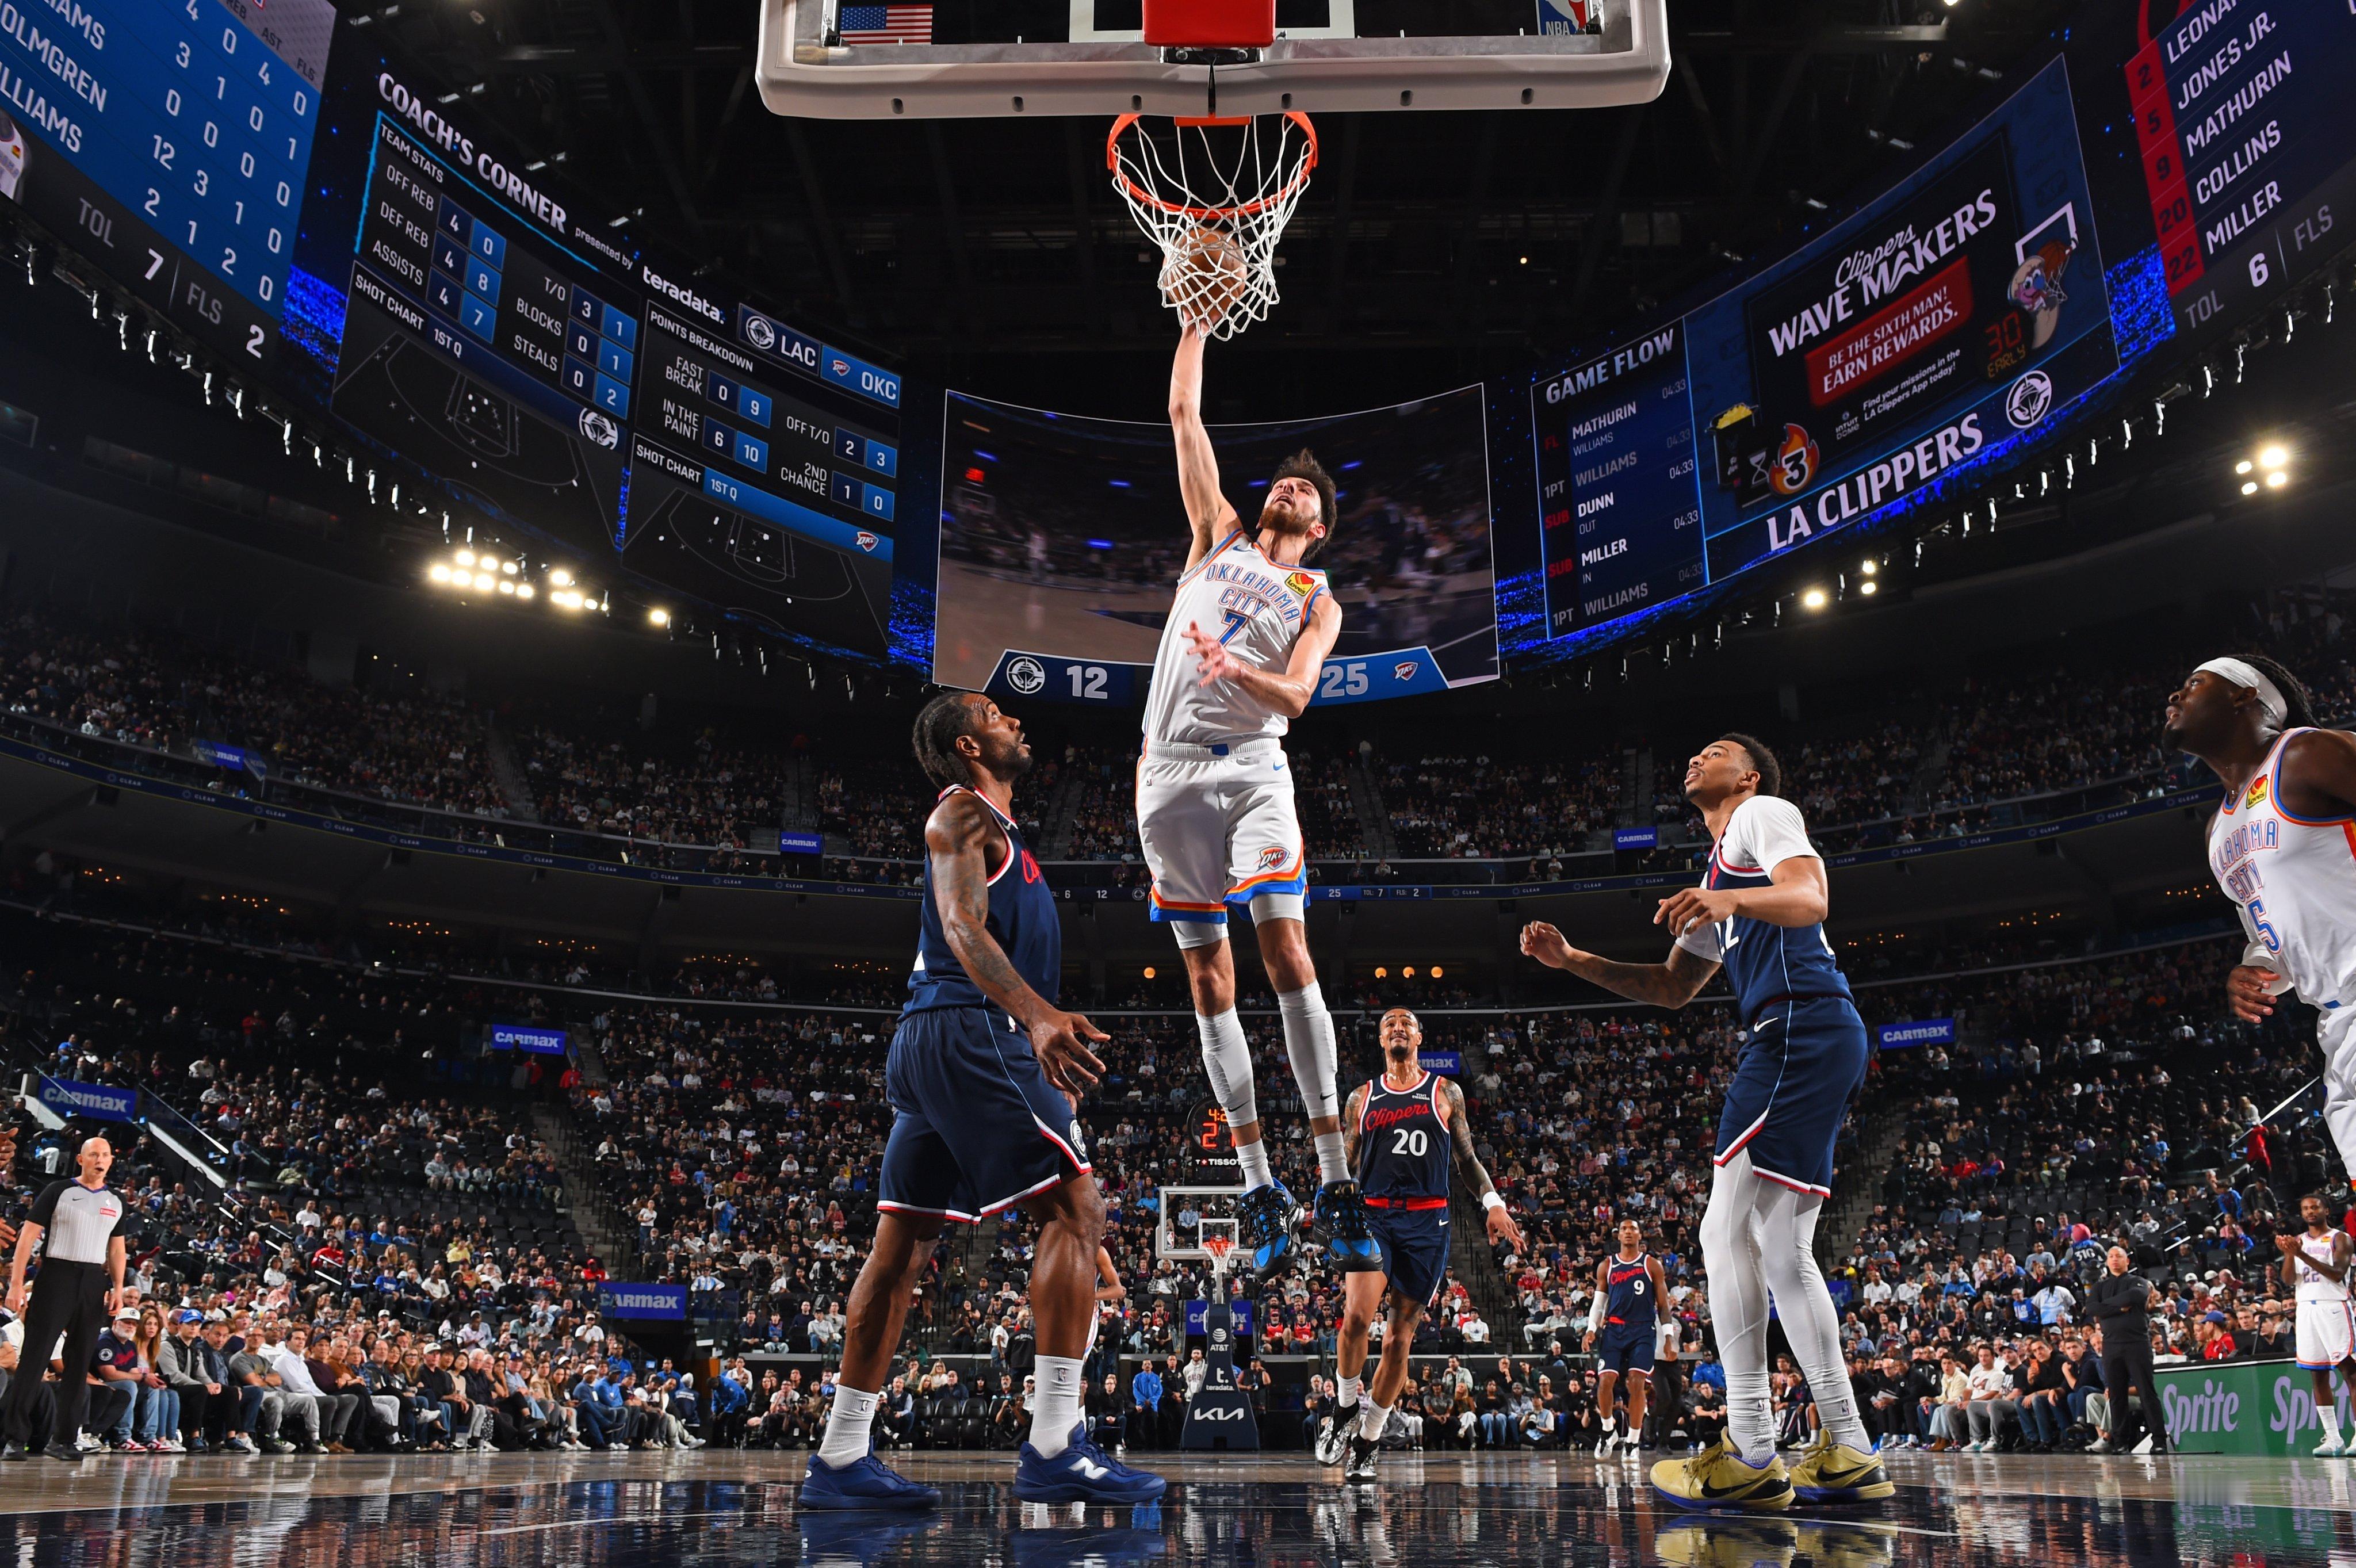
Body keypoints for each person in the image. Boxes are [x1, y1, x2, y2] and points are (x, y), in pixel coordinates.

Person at [799, 695, 1164, 1511]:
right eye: (999, 715)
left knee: (900, 1249)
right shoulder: (960, 818)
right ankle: (1054, 1444)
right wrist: (1036, 1015)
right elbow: (963, 927)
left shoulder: (997, 827)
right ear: (970, 744)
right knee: (1076, 1211)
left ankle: (841, 1456)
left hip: (935, 1036)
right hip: (975, 1029)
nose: (1017, 722)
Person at [1521, 736, 1890, 1510]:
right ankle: (1849, 1445)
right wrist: (1574, 959)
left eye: (1713, 751)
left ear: (1747, 774)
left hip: (1795, 1028)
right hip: (1814, 1032)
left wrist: (1730, 901)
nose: (1693, 758)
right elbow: (1670, 986)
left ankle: (1754, 1446)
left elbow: (1811, 894)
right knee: (1782, 1250)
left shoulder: (1762, 812)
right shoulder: (1718, 871)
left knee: (1724, 1232)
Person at [1139, 323, 1376, 1279]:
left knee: (1284, 948)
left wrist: (1236, 665)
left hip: (1254, 765)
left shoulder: (1317, 594)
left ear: (1319, 527)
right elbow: (1183, 413)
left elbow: (1300, 693)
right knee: (1206, 980)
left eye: (1308, 493)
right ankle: (1257, 1180)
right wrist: (1196, 319)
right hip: (1166, 770)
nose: (1291, 488)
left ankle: (1329, 1175)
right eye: (1286, 481)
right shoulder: (1215, 536)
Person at [2167, 657, 2356, 1170]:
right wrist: (2254, 971)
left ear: (2243, 695)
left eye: (2193, 683)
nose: (2175, 697)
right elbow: (2270, 932)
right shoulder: (2219, 831)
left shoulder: (2307, 753)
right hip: (2338, 1025)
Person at [1319, 1007, 1522, 1483]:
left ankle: (1368, 1440)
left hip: (1428, 1222)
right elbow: (1343, 1163)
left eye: (1405, 1023)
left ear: (1419, 1037)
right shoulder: (1361, 1098)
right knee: (1355, 1318)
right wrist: (1331, 1200)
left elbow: (1468, 1159)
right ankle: (1346, 1406)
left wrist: (1493, 1202)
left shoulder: (1444, 1091)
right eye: (1389, 1024)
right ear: (1380, 1040)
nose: (1397, 1028)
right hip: (1373, 1215)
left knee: (1397, 1342)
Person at [2, 1136, 128, 1463]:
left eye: (105, 1155)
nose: (100, 1159)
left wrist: (117, 1287)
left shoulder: (115, 1201)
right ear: (81, 1160)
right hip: (56, 1275)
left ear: (111, 1161)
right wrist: (16, 1284)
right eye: (93, 1154)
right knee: (35, 1356)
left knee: (79, 1361)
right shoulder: (59, 1190)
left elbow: (117, 1249)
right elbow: (27, 1237)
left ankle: (65, 1438)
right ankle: (15, 1437)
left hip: (92, 1280)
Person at [1585, 1219, 1670, 1459]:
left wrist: (1669, 1336)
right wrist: (1591, 1328)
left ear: (1640, 1235)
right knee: (1606, 1381)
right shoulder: (1607, 1265)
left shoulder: (1651, 1265)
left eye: (1633, 1229)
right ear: (1618, 1235)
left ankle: (1633, 1441)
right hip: (1614, 1329)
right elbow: (1599, 1302)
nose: (1629, 1232)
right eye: (1624, 1229)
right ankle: (1608, 1430)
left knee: (1636, 1382)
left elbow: (1663, 1305)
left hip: (1643, 1330)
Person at [2281, 1192, 2355, 1455]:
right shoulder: (2297, 1241)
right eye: (2305, 1208)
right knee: (2318, 1374)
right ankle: (2333, 1438)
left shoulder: (2340, 1238)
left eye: (2315, 1207)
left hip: (2334, 1307)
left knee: (2350, 1371)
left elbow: (2337, 1274)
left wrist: (2302, 1254)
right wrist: (2291, 1255)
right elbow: (2289, 1280)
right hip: (2306, 1309)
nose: (2310, 1211)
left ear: (2326, 1210)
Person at [2087, 1246, 2167, 1454]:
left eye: (2119, 1256)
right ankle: (2120, 1442)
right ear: (2106, 1261)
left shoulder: (2137, 1281)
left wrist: (2106, 1307)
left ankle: (2159, 1440)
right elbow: (2092, 1308)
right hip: (2111, 1346)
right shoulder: (2100, 1286)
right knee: (2117, 1395)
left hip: (2137, 1343)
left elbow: (2137, 1296)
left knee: (2147, 1392)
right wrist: (2116, 1308)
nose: (2115, 1260)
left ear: (2127, 1261)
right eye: (2111, 1256)